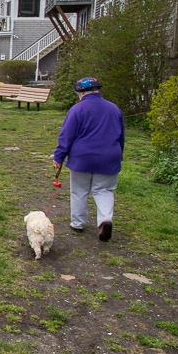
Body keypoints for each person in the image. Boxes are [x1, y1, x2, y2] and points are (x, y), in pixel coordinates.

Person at [53, 78, 124, 241]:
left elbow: (67, 135)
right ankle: (105, 219)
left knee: (79, 190)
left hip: (82, 157)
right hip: (109, 157)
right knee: (104, 190)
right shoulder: (114, 109)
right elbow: (121, 136)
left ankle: (78, 223)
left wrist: (59, 156)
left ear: (82, 93)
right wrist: (119, 155)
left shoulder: (77, 110)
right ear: (97, 90)